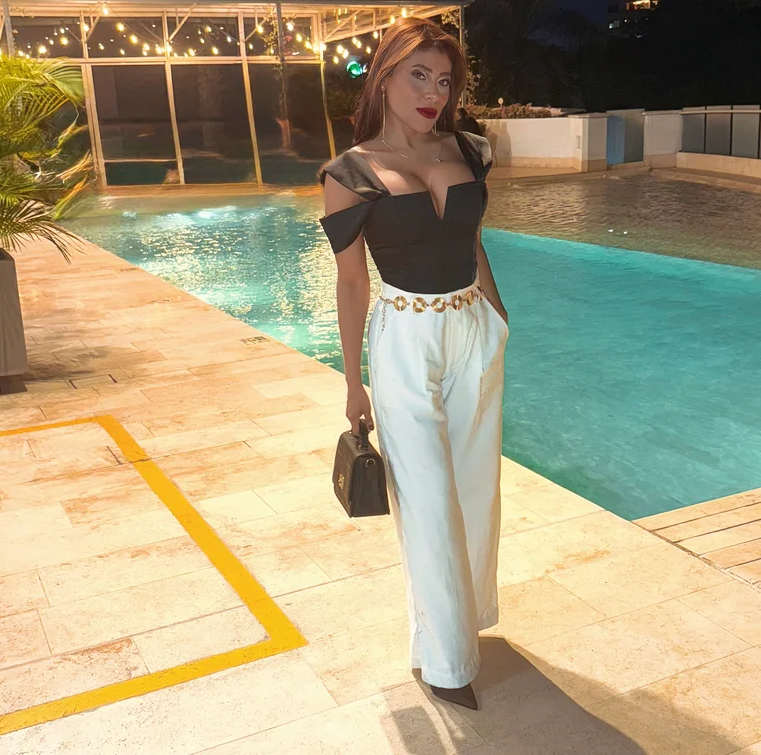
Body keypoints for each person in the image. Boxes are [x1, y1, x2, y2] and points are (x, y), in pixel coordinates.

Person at [318, 17, 509, 711]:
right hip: (403, 335)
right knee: (425, 498)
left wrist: (498, 314)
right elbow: (351, 282)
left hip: (472, 328)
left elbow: (472, 240)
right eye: (418, 76)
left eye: (444, 80)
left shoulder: (470, 149)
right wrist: (353, 382)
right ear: (384, 77)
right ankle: (447, 661)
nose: (433, 93)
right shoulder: (349, 172)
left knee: (475, 488)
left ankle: (466, 618)